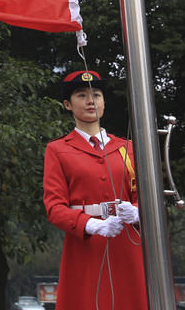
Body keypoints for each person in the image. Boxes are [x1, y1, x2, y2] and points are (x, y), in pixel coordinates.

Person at [42, 70, 146, 310]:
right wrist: (93, 225)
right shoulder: (57, 150)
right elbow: (54, 208)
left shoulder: (127, 148)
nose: (91, 100)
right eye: (82, 95)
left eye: (97, 94)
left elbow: (143, 196)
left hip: (127, 242)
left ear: (104, 102)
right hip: (85, 244)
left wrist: (139, 211)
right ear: (68, 104)